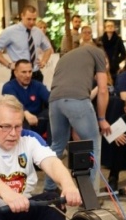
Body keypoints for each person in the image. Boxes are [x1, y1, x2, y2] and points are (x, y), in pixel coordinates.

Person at [44, 43, 110, 192]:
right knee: (93, 145)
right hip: (77, 100)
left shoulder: (66, 56)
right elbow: (103, 89)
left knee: (57, 145)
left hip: (54, 100)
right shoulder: (97, 51)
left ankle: (49, 188)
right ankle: (89, 195)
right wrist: (102, 118)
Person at [0, 6, 53, 83]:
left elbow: (48, 48)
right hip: (19, 76)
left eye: (34, 19)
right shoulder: (10, 31)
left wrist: (44, 61)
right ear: (22, 16)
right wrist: (8, 64)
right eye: (29, 19)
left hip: (36, 74)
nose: (32, 22)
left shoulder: (38, 32)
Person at [2, 59, 50, 142]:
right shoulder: (8, 87)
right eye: (24, 72)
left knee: (54, 113)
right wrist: (26, 114)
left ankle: (51, 149)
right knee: (21, 120)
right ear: (15, 73)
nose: (28, 75)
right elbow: (14, 104)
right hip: (19, 121)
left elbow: (50, 99)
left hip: (38, 120)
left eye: (30, 72)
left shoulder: (38, 85)